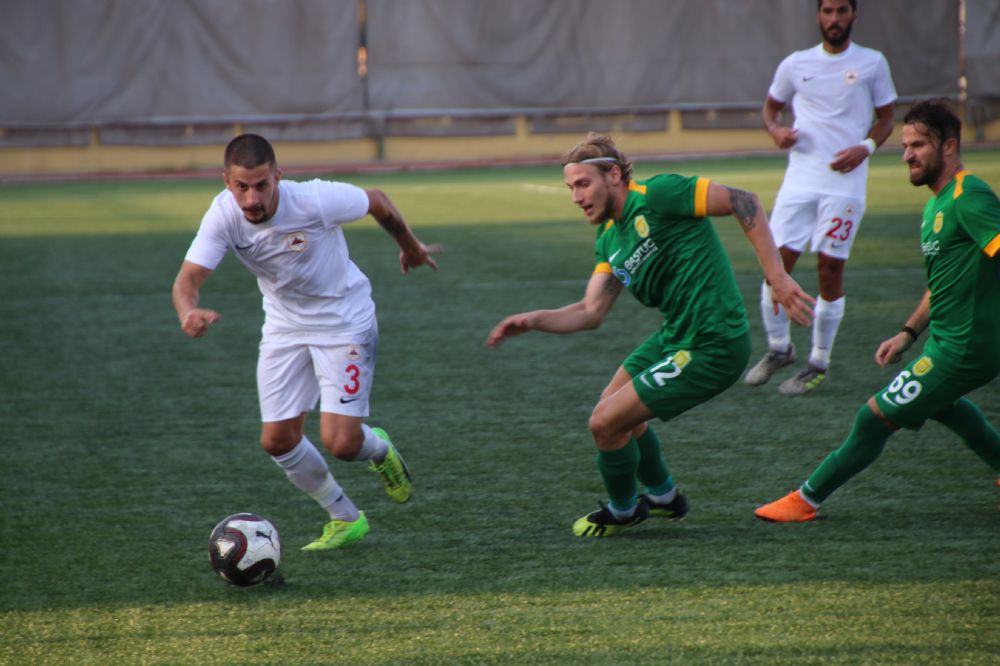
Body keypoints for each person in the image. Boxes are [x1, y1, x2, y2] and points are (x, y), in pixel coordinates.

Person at [486, 133, 815, 537]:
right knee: (615, 411)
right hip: (675, 336)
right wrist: (533, 319)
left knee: (604, 424)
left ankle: (624, 511)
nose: (576, 197)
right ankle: (664, 497)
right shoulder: (609, 239)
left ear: (613, 174)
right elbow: (590, 312)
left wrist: (776, 275)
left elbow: (743, 201)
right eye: (570, 187)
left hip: (713, 342)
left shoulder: (658, 193)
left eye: (583, 183)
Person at [172, 134, 440, 550]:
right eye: (242, 187)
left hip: (344, 322)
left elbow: (376, 200)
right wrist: (188, 312)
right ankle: (345, 518)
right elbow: (188, 279)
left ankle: (379, 449)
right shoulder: (223, 215)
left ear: (278, 176)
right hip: (284, 327)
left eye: (261, 185)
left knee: (342, 444)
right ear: (227, 181)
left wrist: (412, 248)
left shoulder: (314, 199)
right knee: (277, 440)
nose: (252, 198)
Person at [755, 99, 1000, 522]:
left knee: (873, 419)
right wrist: (908, 332)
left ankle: (806, 499)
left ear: (949, 146)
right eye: (905, 145)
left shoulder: (969, 196)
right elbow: (942, 284)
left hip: (966, 346)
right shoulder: (936, 204)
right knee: (942, 404)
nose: (907, 154)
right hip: (946, 338)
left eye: (918, 145)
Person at [745, 0, 897, 394]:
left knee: (830, 271)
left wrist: (865, 147)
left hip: (845, 184)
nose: (834, 19)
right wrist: (775, 131)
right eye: (827, 11)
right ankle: (779, 348)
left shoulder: (872, 62)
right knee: (776, 267)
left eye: (841, 11)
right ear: (818, 16)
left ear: (853, 16)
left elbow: (886, 119)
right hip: (800, 180)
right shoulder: (796, 64)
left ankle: (819, 361)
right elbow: (770, 109)